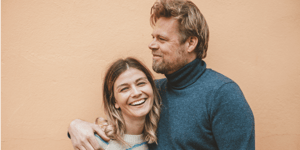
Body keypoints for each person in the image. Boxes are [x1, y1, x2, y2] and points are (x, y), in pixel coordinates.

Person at [68, 0, 255, 149]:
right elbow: (118, 129)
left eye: (162, 39)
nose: (152, 45)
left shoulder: (223, 95)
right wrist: (75, 126)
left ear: (190, 43)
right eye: (153, 37)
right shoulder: (151, 92)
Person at [69, 57, 161, 150]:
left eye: (141, 83)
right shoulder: (99, 143)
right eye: (124, 89)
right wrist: (74, 124)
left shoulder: (157, 138)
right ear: (114, 101)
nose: (136, 93)